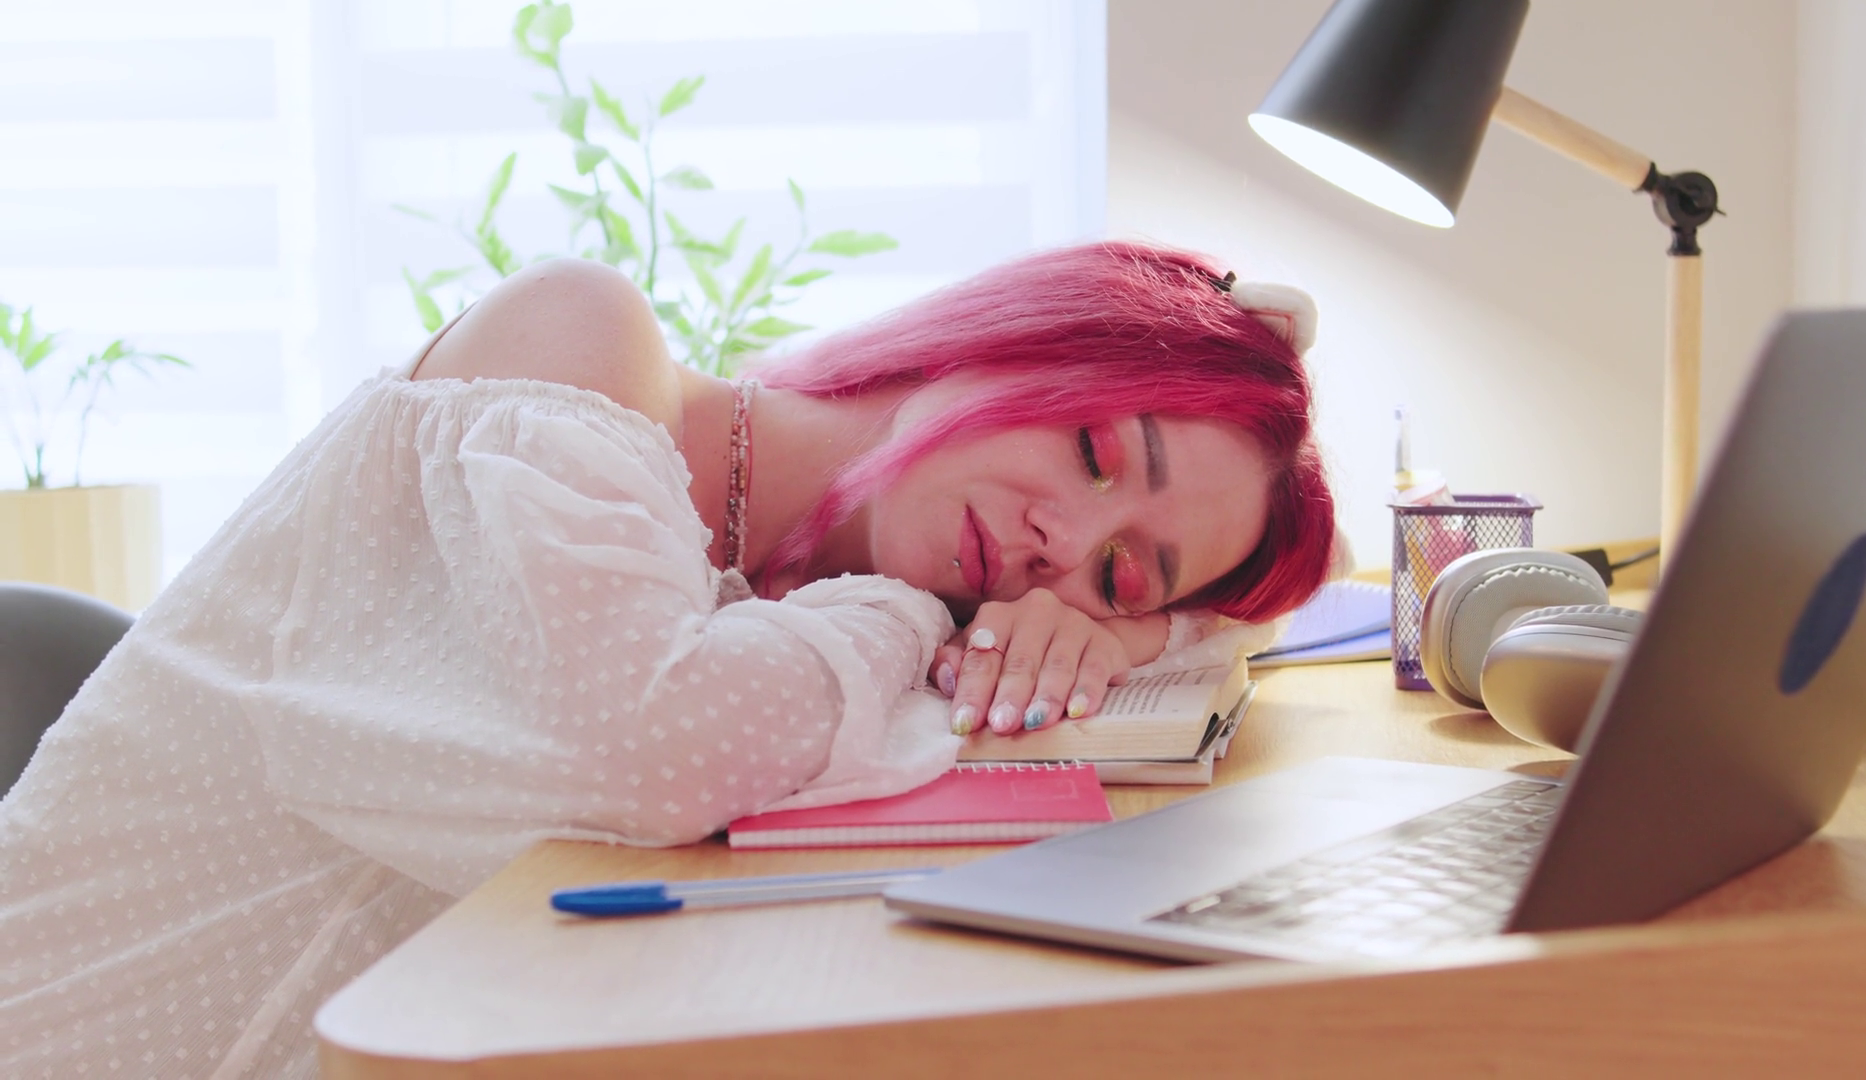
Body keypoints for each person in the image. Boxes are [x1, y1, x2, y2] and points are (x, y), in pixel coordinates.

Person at [0, 241, 1335, 1077]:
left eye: (1124, 566)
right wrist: (917, 614)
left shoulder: (793, 614)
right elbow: (648, 747)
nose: (1066, 546)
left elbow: (1248, 621)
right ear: (1014, 344)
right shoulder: (577, 335)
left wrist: (1138, 628)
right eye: (1096, 453)